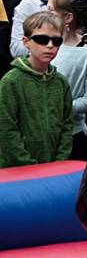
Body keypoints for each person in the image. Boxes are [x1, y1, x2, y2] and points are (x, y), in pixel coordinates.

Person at [0, 11, 72, 167]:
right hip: (17, 170)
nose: (50, 45)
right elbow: (6, 129)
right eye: (41, 39)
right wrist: (28, 165)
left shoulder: (61, 82)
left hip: (54, 167)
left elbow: (67, 125)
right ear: (26, 42)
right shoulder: (11, 81)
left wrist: (60, 161)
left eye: (56, 40)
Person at [49, 0, 87, 159]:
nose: (45, 16)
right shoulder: (42, 45)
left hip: (72, 134)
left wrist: (58, 107)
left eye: (51, 12)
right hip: (42, 134)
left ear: (68, 17)